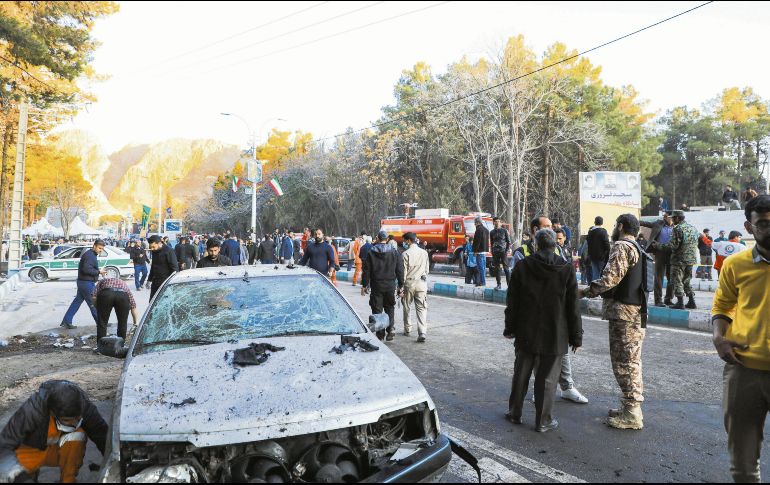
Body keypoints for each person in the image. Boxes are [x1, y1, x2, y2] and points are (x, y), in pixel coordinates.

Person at [711, 195, 770, 483]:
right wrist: (719, 337)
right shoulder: (735, 265)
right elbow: (722, 307)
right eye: (764, 224)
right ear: (749, 226)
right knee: (744, 466)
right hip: (744, 370)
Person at [505, 229, 583, 432]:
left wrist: (509, 328)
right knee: (548, 379)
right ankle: (543, 421)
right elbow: (573, 307)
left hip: (526, 330)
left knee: (521, 373)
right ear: (555, 245)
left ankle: (515, 413)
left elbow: (513, 301)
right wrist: (576, 337)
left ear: (536, 244)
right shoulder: (566, 268)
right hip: (555, 333)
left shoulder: (522, 266)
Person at [581, 214, 647, 430]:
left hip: (623, 313)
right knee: (631, 360)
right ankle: (630, 407)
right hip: (635, 312)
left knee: (624, 362)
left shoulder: (621, 246)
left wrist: (585, 291)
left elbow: (610, 279)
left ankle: (632, 413)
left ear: (620, 226)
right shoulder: (637, 246)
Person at [0, 380, 108, 484]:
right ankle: (29, 475)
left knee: (77, 435)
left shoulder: (85, 407)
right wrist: (20, 477)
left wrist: (114, 464)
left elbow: (103, 436)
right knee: (8, 473)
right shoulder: (31, 410)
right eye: (66, 420)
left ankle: (67, 480)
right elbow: (5, 445)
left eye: (77, 418)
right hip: (32, 450)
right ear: (52, 412)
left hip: (59, 450)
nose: (73, 424)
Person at [361, 231, 404, 342]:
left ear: (378, 238)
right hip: (390, 285)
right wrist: (401, 285)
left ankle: (380, 334)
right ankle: (390, 329)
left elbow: (366, 270)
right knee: (390, 307)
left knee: (377, 309)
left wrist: (364, 285)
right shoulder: (395, 252)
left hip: (377, 285)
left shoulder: (371, 252)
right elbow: (400, 270)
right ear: (387, 239)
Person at [655, 210, 699, 310]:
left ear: (678, 218)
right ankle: (691, 301)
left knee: (676, 280)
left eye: (673, 218)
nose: (672, 220)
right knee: (686, 280)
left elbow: (672, 246)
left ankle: (680, 302)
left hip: (679, 260)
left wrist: (658, 246)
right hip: (691, 259)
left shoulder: (677, 229)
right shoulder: (693, 228)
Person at [60, 240, 106, 330]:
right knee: (93, 303)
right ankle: (101, 323)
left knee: (76, 302)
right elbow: (86, 270)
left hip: (83, 282)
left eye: (102, 249)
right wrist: (99, 272)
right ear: (94, 246)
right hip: (86, 283)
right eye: (99, 248)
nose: (101, 250)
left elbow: (88, 268)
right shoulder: (89, 256)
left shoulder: (91, 254)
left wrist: (98, 271)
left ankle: (66, 321)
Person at [400, 232, 430, 343]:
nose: (404, 243)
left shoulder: (405, 254)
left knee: (407, 306)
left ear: (408, 241)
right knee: (421, 308)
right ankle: (422, 332)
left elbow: (403, 273)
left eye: (404, 241)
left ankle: (407, 329)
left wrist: (401, 287)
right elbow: (427, 270)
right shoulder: (424, 253)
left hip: (409, 284)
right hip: (422, 284)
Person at [641, 212, 675, 307]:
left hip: (672, 254)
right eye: (670, 217)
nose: (672, 219)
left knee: (671, 278)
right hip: (659, 252)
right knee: (658, 277)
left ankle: (668, 299)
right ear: (665, 217)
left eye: (673, 217)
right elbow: (645, 223)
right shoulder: (658, 223)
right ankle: (658, 300)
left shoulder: (677, 226)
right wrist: (634, 220)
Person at [92, 277, 138, 342]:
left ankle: (101, 346)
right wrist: (135, 322)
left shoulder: (102, 281)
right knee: (122, 323)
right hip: (122, 295)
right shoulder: (123, 283)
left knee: (102, 323)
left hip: (106, 294)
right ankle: (120, 345)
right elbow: (133, 306)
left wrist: (98, 307)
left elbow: (94, 297)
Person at [145, 235, 178, 299]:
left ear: (159, 243)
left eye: (153, 247)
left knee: (164, 301)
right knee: (152, 301)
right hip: (155, 281)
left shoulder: (169, 251)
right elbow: (153, 266)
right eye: (151, 247)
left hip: (165, 282)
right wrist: (149, 280)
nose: (152, 249)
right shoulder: (154, 251)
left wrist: (172, 282)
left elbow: (175, 268)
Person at [586, 216, 611, 281]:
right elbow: (607, 244)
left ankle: (594, 288)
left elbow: (588, 244)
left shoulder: (590, 232)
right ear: (602, 222)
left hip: (592, 256)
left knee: (595, 273)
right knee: (602, 274)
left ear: (594, 222)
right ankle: (600, 289)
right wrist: (607, 253)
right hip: (601, 257)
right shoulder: (603, 231)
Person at [490, 217, 512, 290]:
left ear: (500, 222)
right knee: (497, 269)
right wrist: (492, 251)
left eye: (499, 221)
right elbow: (491, 242)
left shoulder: (504, 231)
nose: (497, 223)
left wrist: (506, 251)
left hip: (503, 252)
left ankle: (509, 286)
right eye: (496, 221)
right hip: (495, 252)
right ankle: (498, 284)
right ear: (493, 222)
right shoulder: (492, 232)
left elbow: (509, 242)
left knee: (506, 269)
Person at [472, 217, 490, 287]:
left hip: (479, 251)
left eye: (475, 223)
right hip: (484, 251)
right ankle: (482, 281)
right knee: (483, 267)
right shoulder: (486, 230)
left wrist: (475, 251)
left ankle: (482, 282)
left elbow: (477, 241)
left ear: (477, 222)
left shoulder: (478, 230)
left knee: (480, 268)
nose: (474, 224)